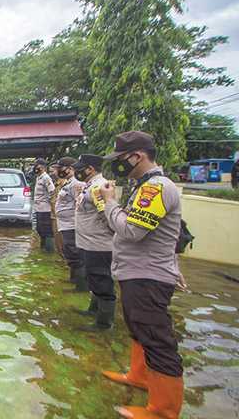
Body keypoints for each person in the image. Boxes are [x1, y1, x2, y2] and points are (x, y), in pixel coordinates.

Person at [99, 131, 185, 418]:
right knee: (139, 329)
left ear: (137, 156)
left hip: (148, 276)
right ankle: (139, 376)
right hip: (136, 273)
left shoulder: (156, 188)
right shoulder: (143, 185)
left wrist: (110, 202)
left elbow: (132, 231)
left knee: (157, 340)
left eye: (121, 159)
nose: (118, 165)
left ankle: (163, 410)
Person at [74, 154, 116, 329]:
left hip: (98, 244)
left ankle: (104, 323)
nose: (76, 172)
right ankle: (94, 310)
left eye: (80, 168)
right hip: (89, 242)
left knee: (102, 281)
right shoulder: (89, 185)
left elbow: (107, 214)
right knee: (94, 278)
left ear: (90, 169)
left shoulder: (99, 187)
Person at [54, 157, 86, 291]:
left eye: (61, 168)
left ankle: (81, 286)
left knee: (75, 253)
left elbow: (79, 204)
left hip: (72, 224)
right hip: (65, 224)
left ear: (70, 168)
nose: (58, 171)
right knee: (70, 252)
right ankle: (74, 279)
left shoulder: (77, 184)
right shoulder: (69, 183)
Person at [32, 159, 56, 252]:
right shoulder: (39, 177)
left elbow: (52, 191)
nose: (35, 168)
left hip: (45, 208)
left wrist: (49, 202)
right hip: (39, 208)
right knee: (40, 229)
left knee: (46, 230)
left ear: (41, 167)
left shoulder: (46, 178)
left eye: (36, 166)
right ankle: (42, 248)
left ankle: (49, 250)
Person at [49, 162, 66, 260]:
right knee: (58, 242)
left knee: (63, 242)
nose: (51, 174)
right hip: (54, 216)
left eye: (53, 171)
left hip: (61, 218)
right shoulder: (56, 184)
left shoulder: (65, 184)